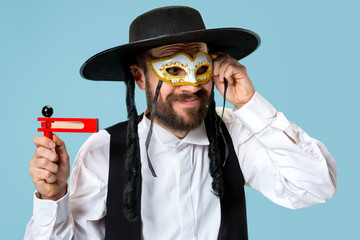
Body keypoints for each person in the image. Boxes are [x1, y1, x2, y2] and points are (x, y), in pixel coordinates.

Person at [25, 6, 337, 240]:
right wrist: (53, 199)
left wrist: (249, 104)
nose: (190, 86)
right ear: (139, 77)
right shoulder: (104, 151)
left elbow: (315, 186)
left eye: (199, 68)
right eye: (173, 70)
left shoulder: (236, 134)